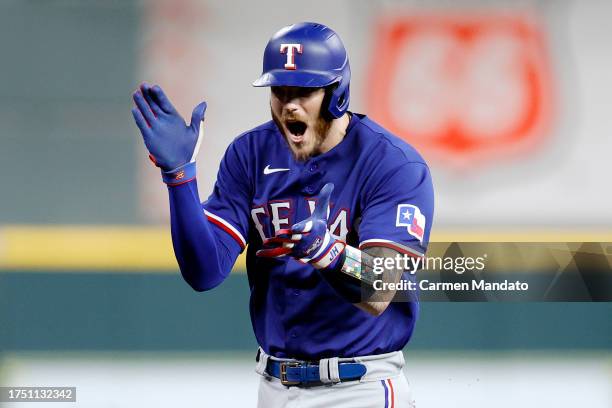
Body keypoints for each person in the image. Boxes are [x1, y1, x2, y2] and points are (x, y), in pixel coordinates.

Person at [132, 22, 433, 408]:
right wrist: (179, 179)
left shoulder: (392, 164)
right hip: (274, 386)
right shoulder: (250, 154)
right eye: (280, 90)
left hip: (360, 386)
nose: (289, 103)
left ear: (336, 93)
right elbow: (204, 273)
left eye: (305, 91)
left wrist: (330, 252)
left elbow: (381, 288)